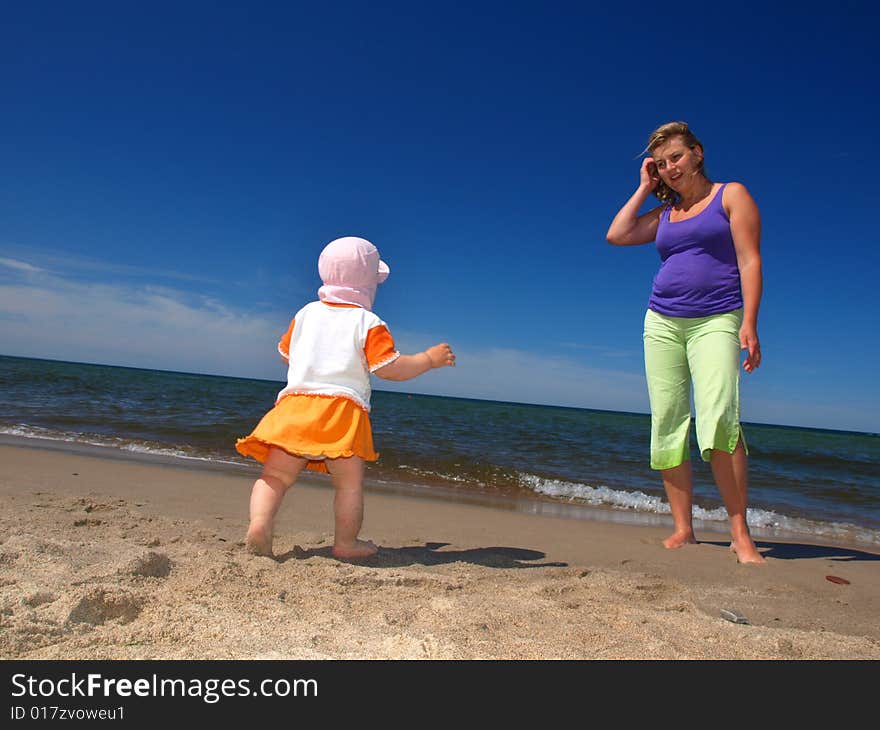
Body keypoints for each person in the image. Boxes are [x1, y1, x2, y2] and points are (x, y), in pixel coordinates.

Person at [235, 236, 455, 559]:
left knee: (275, 476)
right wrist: (427, 359)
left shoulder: (305, 314)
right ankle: (346, 544)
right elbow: (390, 368)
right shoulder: (368, 323)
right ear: (367, 285)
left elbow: (286, 355)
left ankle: (259, 524)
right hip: (341, 410)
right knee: (348, 486)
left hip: (294, 406)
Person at [606, 121, 765, 564]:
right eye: (660, 164)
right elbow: (617, 234)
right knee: (668, 421)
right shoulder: (666, 214)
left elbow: (750, 260)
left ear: (696, 153)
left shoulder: (730, 195)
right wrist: (643, 188)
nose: (670, 168)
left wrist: (749, 322)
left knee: (719, 419)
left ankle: (740, 533)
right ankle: (683, 529)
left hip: (717, 318)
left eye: (675, 157)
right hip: (661, 323)